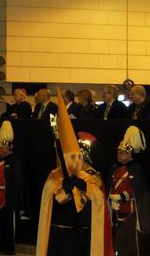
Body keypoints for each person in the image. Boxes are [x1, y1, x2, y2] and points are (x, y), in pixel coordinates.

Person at [36, 88, 105, 256]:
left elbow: (98, 199)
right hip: (58, 233)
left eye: (77, 157)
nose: (75, 161)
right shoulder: (55, 176)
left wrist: (83, 186)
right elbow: (51, 200)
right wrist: (64, 192)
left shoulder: (87, 176)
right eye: (71, 157)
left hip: (79, 232)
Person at [108, 126, 149, 256]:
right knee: (117, 242)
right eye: (118, 153)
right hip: (115, 212)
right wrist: (111, 198)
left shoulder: (137, 169)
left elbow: (138, 191)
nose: (118, 155)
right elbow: (110, 188)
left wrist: (121, 196)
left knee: (130, 242)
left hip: (131, 212)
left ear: (129, 154)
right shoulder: (114, 168)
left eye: (122, 153)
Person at [0, 120, 25, 255]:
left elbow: (16, 183)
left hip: (9, 200)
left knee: (9, 225)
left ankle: (10, 248)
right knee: (0, 224)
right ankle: (1, 246)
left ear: (6, 148)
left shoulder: (15, 161)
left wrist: (13, 201)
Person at [77, 131, 114, 256]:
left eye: (76, 156)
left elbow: (95, 198)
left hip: (89, 221)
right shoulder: (75, 174)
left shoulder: (92, 175)